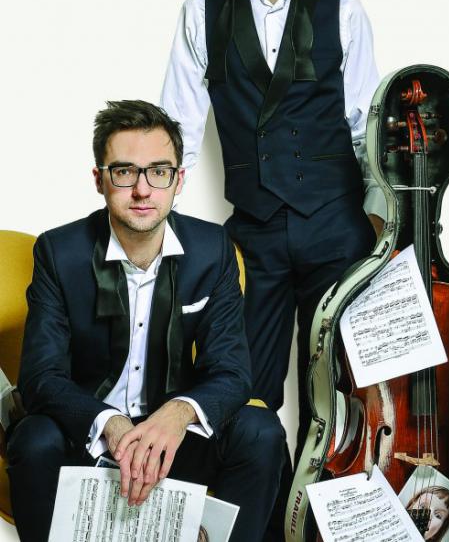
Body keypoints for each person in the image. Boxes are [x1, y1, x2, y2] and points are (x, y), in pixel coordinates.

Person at [161, 0, 386, 457]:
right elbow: (176, 131)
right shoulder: (199, 12)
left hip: (338, 231)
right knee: (244, 393)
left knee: (347, 394)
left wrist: (378, 228)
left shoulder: (344, 9)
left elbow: (366, 127)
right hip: (252, 237)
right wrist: (154, 226)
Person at [7, 100, 284, 542]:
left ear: (178, 180)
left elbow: (232, 372)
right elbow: (41, 377)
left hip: (174, 441)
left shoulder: (212, 249)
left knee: (261, 432)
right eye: (124, 172)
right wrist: (110, 423)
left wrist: (177, 414)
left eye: (158, 171)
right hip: (89, 435)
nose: (142, 190)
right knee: (33, 440)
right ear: (100, 180)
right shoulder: (60, 253)